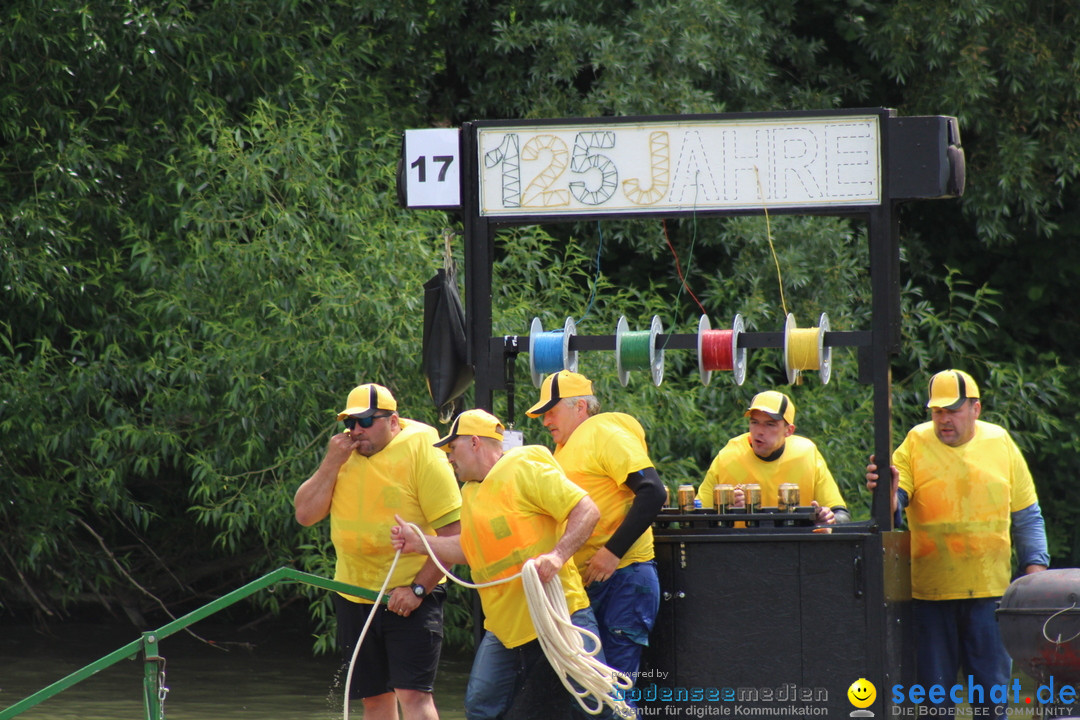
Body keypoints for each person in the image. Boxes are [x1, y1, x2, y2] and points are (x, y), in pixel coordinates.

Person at [391, 408, 618, 720]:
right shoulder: (470, 491)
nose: (448, 458)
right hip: (503, 628)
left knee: (597, 704)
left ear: (474, 442)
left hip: (558, 615)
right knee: (481, 709)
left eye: (451, 448)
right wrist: (420, 543)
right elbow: (469, 549)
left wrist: (557, 555)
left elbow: (586, 510)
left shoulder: (524, 467)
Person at [866, 369, 1049, 716]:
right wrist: (886, 494)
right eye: (937, 412)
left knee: (992, 703)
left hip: (991, 597)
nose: (944, 420)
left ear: (975, 409)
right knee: (935, 705)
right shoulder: (915, 443)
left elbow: (1027, 517)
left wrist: (1034, 581)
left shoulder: (1001, 443)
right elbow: (894, 507)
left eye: (952, 411)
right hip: (930, 597)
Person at [294, 383, 462, 720]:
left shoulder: (422, 449)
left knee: (413, 694)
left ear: (394, 421)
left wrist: (417, 589)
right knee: (373, 699)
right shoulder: (342, 454)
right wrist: (331, 462)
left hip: (411, 593)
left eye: (367, 421)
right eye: (351, 422)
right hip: (354, 593)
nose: (357, 431)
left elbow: (455, 536)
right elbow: (305, 515)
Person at [525, 370, 665, 679]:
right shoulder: (563, 449)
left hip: (624, 576)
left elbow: (653, 492)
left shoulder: (604, 432)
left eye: (551, 412)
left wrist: (612, 552)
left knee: (613, 689)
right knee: (594, 689)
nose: (546, 421)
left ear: (580, 407)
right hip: (591, 583)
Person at [696, 390, 848, 525]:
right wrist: (724, 511)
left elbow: (842, 515)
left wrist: (827, 519)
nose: (759, 431)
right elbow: (695, 517)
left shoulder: (806, 454)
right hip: (741, 548)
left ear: (789, 430)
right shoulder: (728, 458)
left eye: (770, 424)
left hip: (795, 548)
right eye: (754, 422)